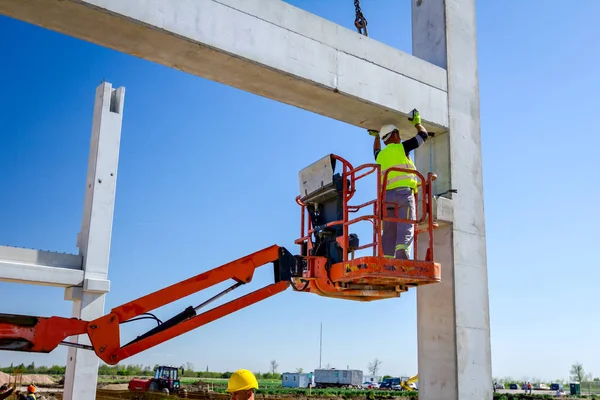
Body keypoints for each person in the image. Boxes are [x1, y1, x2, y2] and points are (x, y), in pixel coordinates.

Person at [368, 109, 434, 260]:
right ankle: (402, 257)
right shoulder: (402, 148)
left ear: (385, 140)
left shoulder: (381, 156)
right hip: (404, 195)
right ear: (396, 135)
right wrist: (417, 123)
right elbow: (423, 136)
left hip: (387, 198)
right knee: (406, 225)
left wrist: (377, 137)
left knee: (390, 229)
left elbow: (376, 151)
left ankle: (387, 260)